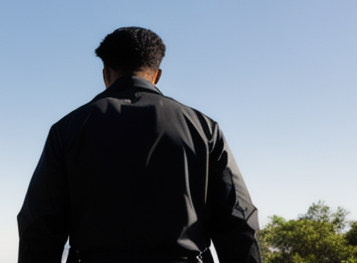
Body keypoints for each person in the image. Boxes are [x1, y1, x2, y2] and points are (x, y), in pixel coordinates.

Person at [17, 27, 261, 263]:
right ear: (157, 75)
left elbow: (39, 226)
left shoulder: (67, 129)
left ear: (105, 74)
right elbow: (239, 221)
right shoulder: (203, 128)